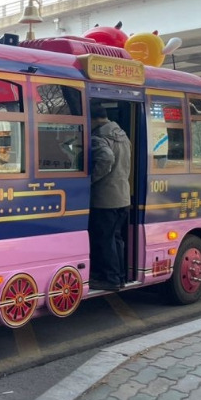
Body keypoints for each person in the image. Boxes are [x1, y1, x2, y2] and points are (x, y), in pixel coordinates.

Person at [88, 104, 131, 292]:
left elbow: (106, 158)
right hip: (123, 196)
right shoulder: (122, 135)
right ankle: (119, 277)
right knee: (116, 238)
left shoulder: (98, 137)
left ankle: (110, 279)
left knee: (105, 240)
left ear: (93, 119)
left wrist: (91, 178)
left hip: (105, 198)